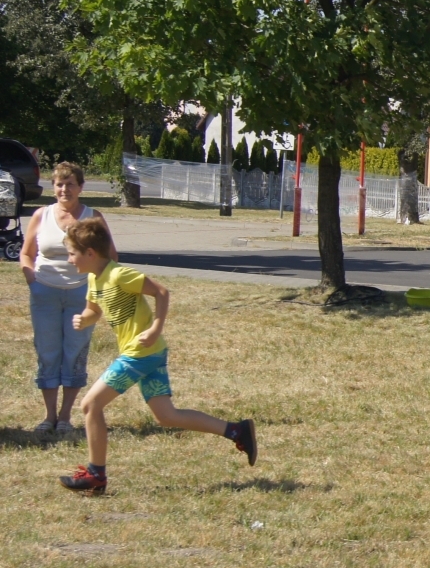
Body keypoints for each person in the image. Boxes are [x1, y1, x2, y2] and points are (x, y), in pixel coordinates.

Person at [57, 218, 257, 495]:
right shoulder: (94, 278)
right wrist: (84, 319)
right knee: (166, 415)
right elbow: (95, 310)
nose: (69, 260)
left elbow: (161, 292)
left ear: (90, 253)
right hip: (150, 353)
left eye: (72, 253)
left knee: (90, 405)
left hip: (140, 354)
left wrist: (155, 328)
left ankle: (96, 474)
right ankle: (236, 431)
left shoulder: (119, 275)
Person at [20, 161, 111, 433]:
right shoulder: (41, 215)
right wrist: (32, 281)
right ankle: (48, 416)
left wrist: (95, 289)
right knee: (48, 352)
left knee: (74, 352)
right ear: (53, 188)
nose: (64, 189)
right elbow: (26, 253)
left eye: (70, 184)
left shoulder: (92, 217)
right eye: (59, 184)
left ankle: (64, 417)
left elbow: (109, 257)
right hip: (44, 292)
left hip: (80, 295)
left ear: (81, 187)